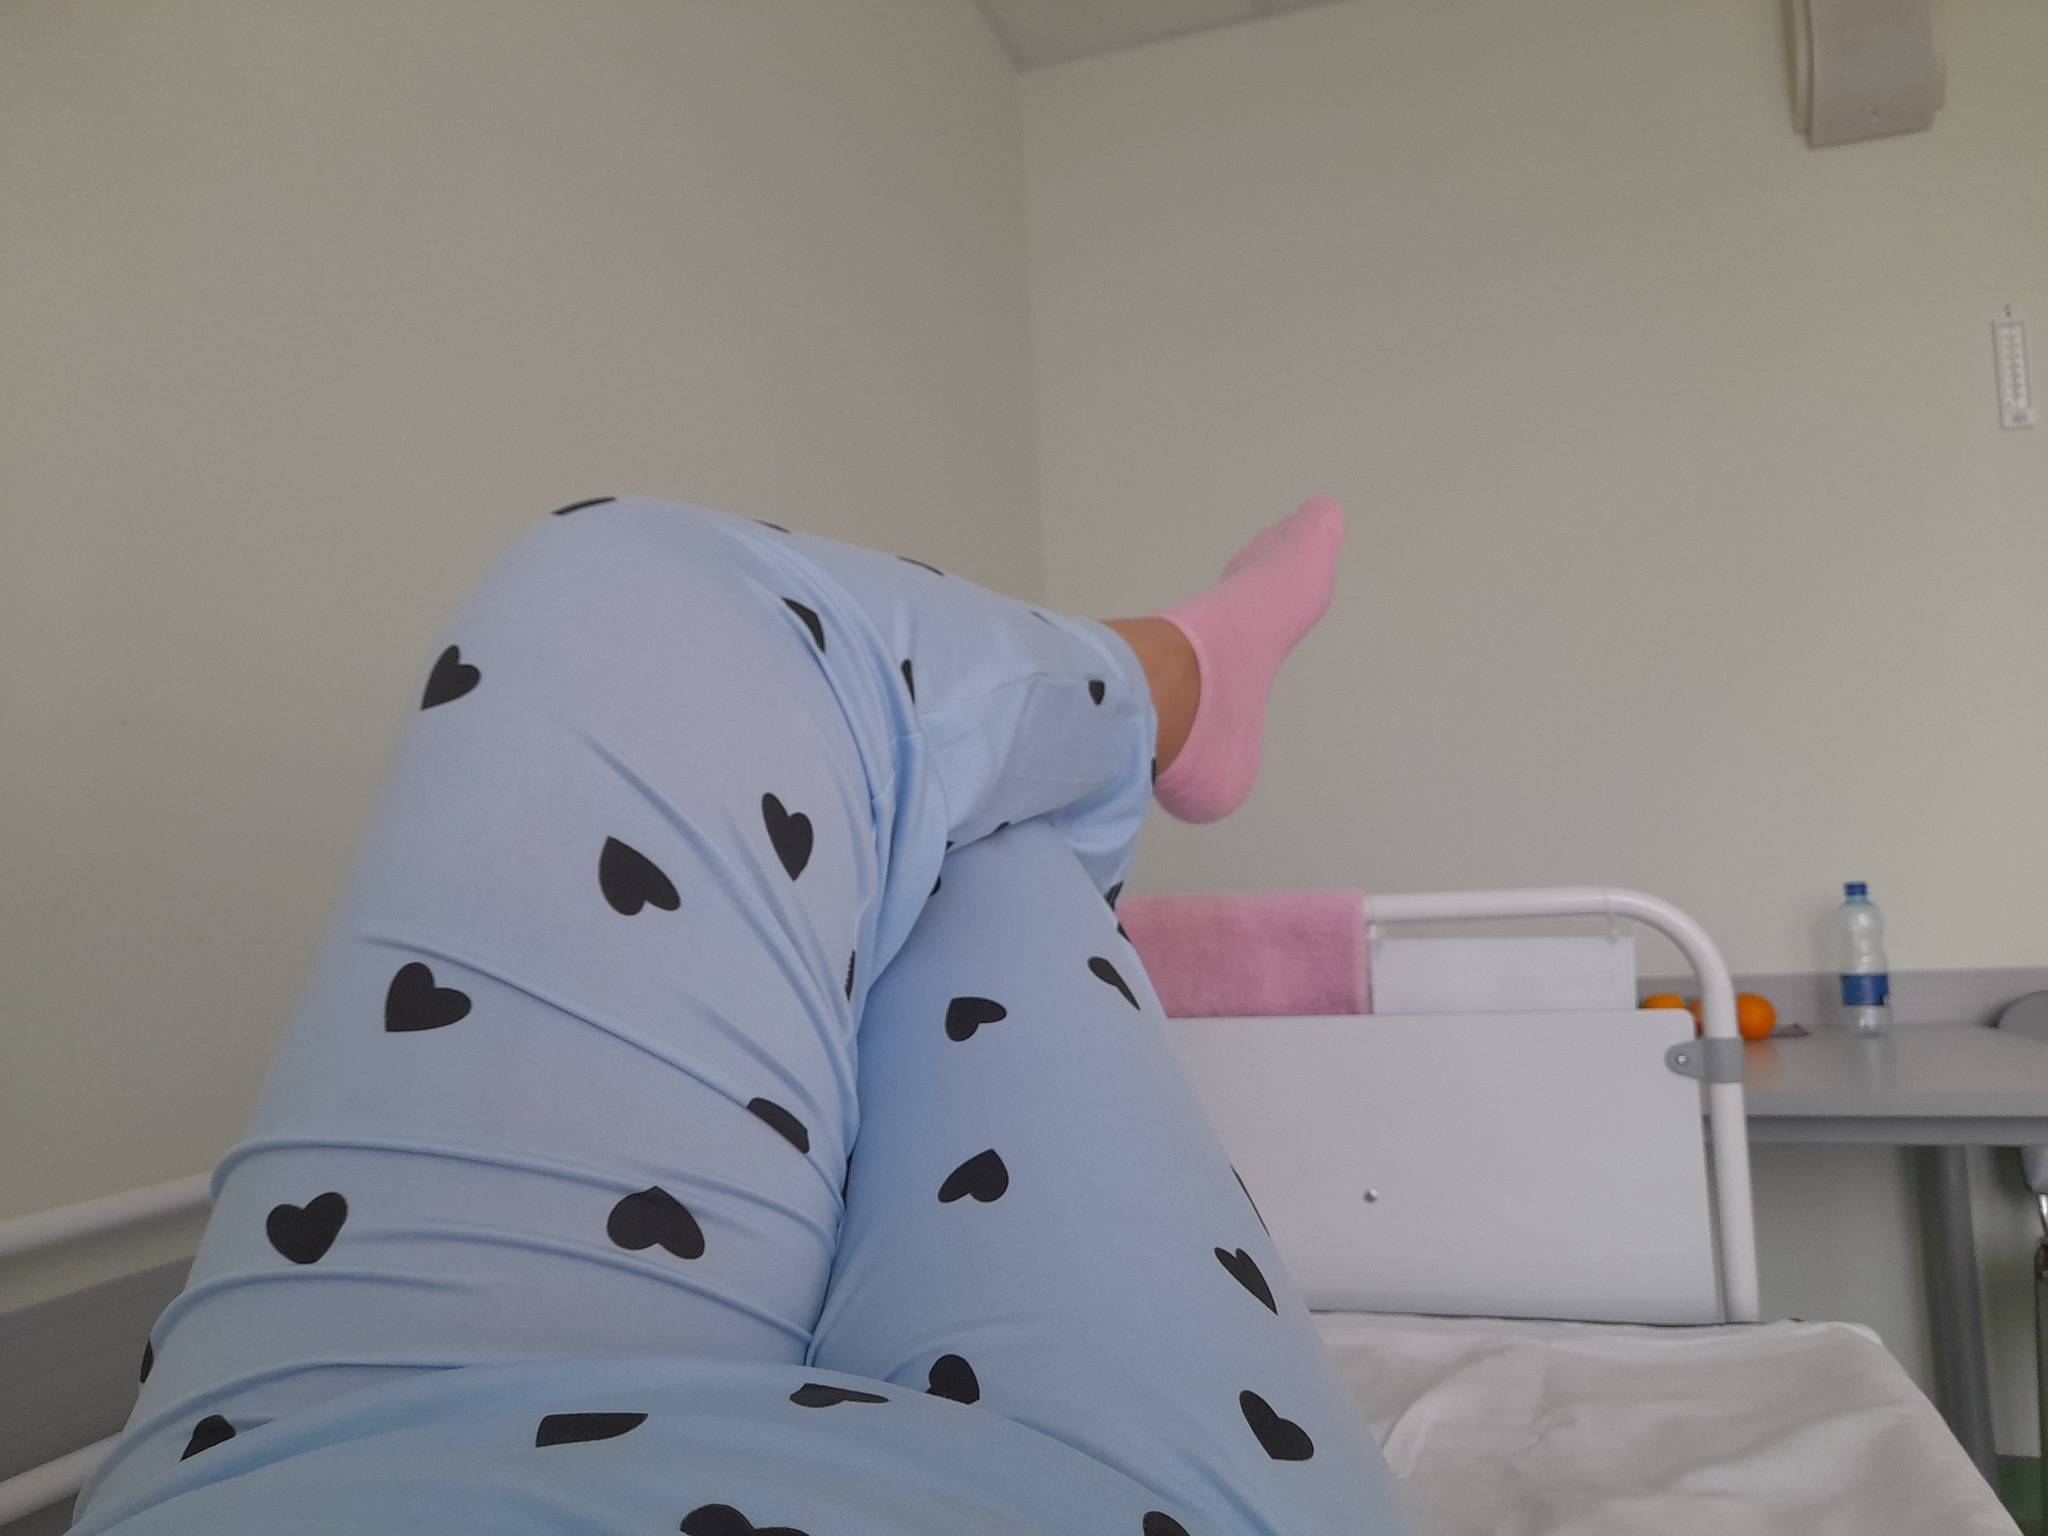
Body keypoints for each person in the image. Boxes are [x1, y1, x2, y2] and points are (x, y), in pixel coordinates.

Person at [73, 495, 1415, 1536]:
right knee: (990, 851)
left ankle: (1160, 698)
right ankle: (1169, 689)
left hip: (300, 1471)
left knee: (631, 602)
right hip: (1076, 1502)